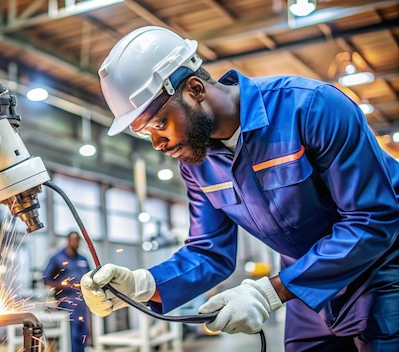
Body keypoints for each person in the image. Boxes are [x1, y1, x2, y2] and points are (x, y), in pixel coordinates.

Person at [80, 26, 399, 351]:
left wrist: (271, 291)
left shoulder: (311, 108)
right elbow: (210, 251)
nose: (157, 144)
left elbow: (372, 219)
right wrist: (143, 285)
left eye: (159, 124)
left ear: (194, 89)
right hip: (303, 284)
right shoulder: (197, 163)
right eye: (146, 133)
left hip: (381, 269)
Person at [43, 231, 92, 352]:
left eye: (78, 240)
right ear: (68, 240)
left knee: (82, 335)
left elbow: (91, 277)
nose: (76, 242)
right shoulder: (57, 258)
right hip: (66, 304)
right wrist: (65, 285)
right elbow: (46, 279)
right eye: (73, 239)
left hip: (82, 303)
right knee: (71, 336)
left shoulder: (83, 259)